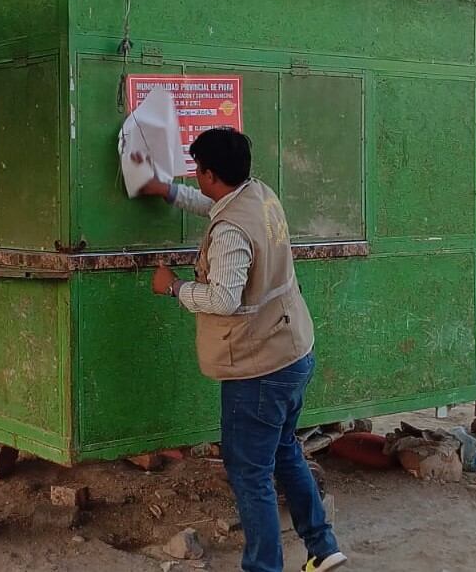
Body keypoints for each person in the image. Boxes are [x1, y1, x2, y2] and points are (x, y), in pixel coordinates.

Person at [135, 127, 346, 572]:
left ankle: (264, 567)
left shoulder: (231, 233)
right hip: (293, 350)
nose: (197, 178)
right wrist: (168, 192)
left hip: (259, 367)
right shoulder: (258, 195)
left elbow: (224, 300)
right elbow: (217, 207)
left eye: (197, 172)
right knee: (285, 449)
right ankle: (323, 549)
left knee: (250, 473)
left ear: (210, 174)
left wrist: (172, 287)